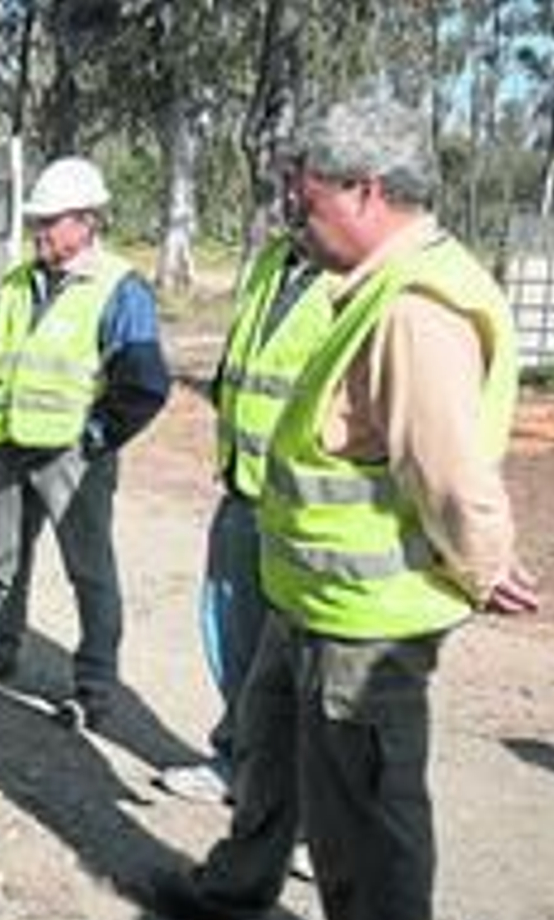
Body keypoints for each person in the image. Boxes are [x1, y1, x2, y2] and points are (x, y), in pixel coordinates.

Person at [138, 92, 539, 920]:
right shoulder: (368, 282)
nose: (294, 212)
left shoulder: (413, 311)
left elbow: (446, 468)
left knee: (363, 809)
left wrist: (486, 564)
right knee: (268, 743)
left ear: (365, 189)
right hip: (308, 595)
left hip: (369, 618)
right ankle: (237, 888)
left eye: (306, 195)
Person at [0, 157, 170, 727]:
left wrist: (95, 437)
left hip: (73, 456)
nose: (39, 231)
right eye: (37, 220)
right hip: (12, 444)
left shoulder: (120, 288)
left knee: (90, 572)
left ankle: (94, 689)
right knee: (4, 560)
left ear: (87, 221)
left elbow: (145, 384)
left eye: (51, 221)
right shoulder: (17, 280)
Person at [156, 221, 334, 804]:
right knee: (232, 638)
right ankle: (238, 760)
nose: (292, 196)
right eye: (285, 179)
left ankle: (309, 810)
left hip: (309, 509)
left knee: (309, 668)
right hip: (242, 488)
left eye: (302, 180)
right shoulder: (273, 262)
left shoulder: (356, 278)